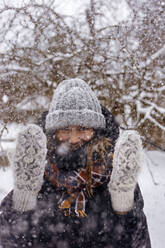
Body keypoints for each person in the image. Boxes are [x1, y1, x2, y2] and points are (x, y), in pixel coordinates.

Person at [0, 78, 151, 248]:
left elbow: (138, 242)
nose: (74, 139)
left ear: (96, 132)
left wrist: (123, 207)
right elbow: (7, 239)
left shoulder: (117, 178)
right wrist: (23, 198)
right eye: (65, 130)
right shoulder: (37, 176)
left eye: (83, 129)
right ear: (53, 133)